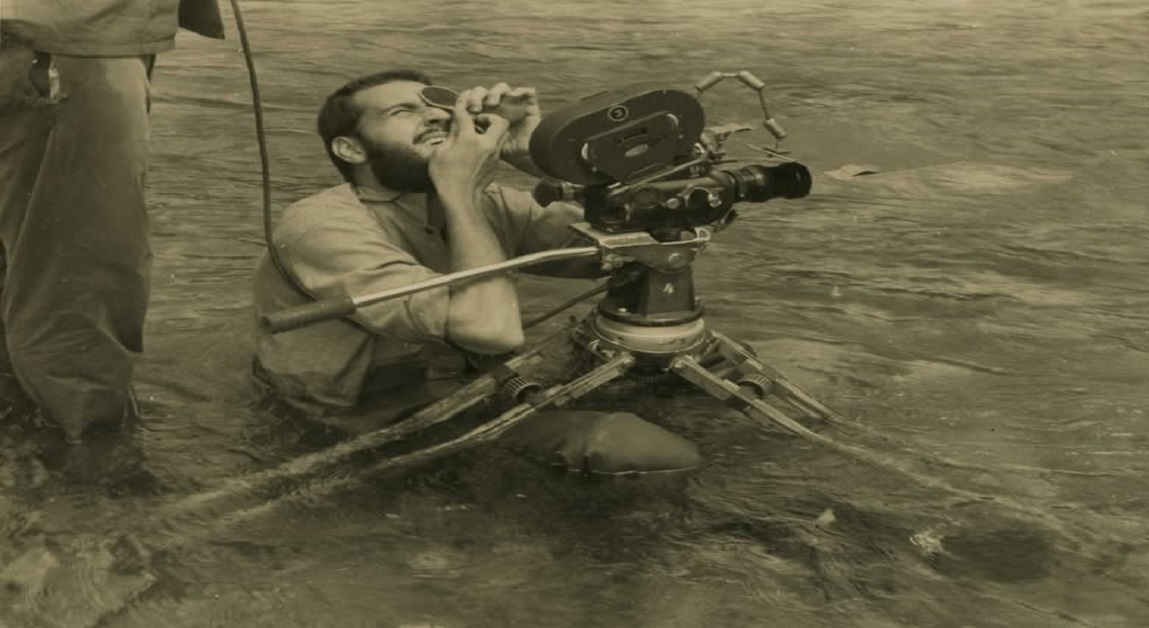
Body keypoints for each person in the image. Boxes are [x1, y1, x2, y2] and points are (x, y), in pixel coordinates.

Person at [252, 69, 702, 476]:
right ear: (351, 149)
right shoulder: (320, 225)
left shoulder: (488, 200)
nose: (436, 116)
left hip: (469, 384)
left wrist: (538, 158)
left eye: (436, 105)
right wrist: (461, 190)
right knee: (632, 447)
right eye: (402, 111)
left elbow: (639, 251)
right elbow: (492, 333)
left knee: (690, 382)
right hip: (365, 416)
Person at [0, 1, 226, 445]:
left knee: (28, 263)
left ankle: (30, 447)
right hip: (65, 39)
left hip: (41, 40)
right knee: (79, 280)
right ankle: (88, 463)